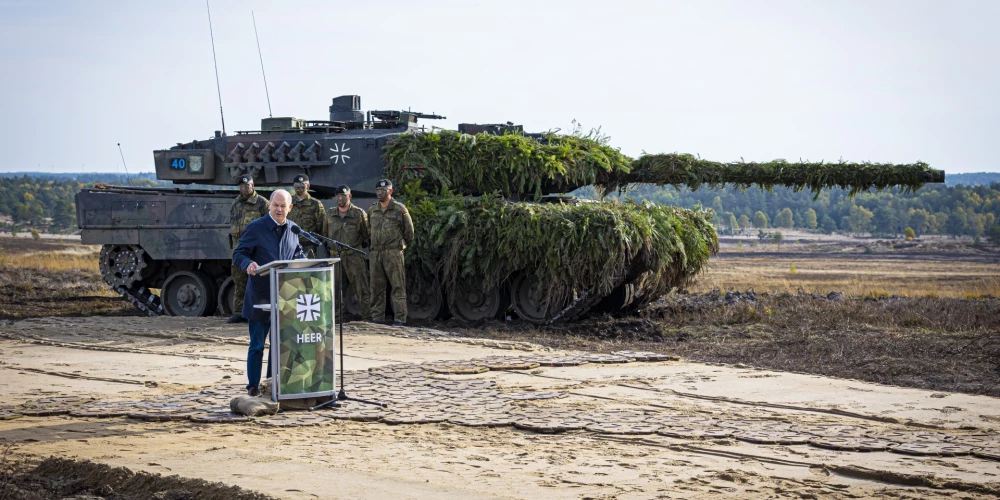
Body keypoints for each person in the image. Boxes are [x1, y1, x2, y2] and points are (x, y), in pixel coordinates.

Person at [232, 190, 305, 397]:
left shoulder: (294, 230)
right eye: (276, 205)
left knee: (278, 345)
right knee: (257, 345)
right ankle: (253, 387)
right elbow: (239, 253)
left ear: (290, 208)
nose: (279, 209)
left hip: (285, 297)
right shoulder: (256, 228)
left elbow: (297, 253)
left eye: (284, 206)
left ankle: (273, 385)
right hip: (260, 297)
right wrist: (248, 264)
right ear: (269, 206)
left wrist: (304, 262)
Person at [367, 179, 413, 326]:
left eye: (383, 191)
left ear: (390, 191)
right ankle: (377, 318)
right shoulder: (372, 210)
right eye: (378, 191)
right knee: (376, 287)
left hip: (393, 252)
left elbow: (409, 232)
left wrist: (400, 247)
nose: (380, 193)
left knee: (397, 286)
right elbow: (369, 230)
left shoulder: (399, 209)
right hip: (376, 253)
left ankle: (400, 318)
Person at [324, 184, 371, 321]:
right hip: (335, 256)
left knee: (361, 288)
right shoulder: (330, 213)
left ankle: (367, 317)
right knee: (335, 289)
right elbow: (325, 233)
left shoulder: (358, 213)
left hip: (353, 256)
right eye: (337, 196)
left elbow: (366, 234)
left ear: (349, 196)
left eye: (343, 196)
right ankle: (338, 318)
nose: (339, 199)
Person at [228, 175, 268, 324]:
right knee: (239, 280)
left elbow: (268, 225)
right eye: (242, 187)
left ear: (253, 185)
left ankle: (257, 311)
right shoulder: (236, 203)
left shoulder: (262, 203)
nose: (244, 189)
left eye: (247, 186)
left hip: (256, 248)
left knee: (258, 280)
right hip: (239, 247)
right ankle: (239, 312)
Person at [287, 174, 326, 259]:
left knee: (309, 271)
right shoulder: (289, 202)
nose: (298, 188)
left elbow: (322, 226)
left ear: (308, 186)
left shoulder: (315, 204)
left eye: (301, 186)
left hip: (309, 246)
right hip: (291, 245)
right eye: (296, 186)